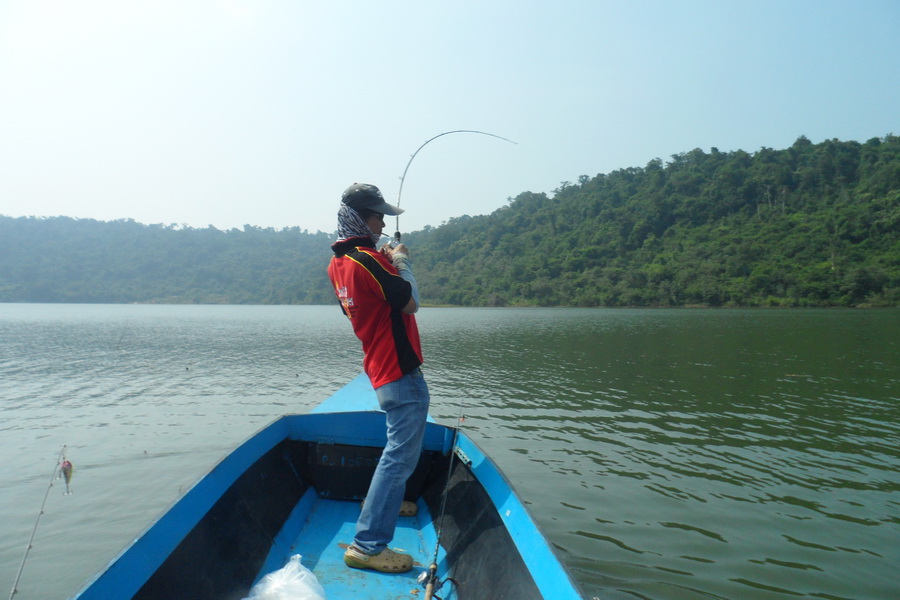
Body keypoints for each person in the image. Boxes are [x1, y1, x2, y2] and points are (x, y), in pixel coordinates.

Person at [327, 183, 429, 574]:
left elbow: (361, 310)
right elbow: (410, 302)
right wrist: (401, 261)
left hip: (378, 366)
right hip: (399, 371)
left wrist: (385, 262)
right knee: (400, 456)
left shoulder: (339, 264)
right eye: (377, 215)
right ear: (358, 217)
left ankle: (387, 500)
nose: (384, 222)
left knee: (397, 454)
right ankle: (368, 546)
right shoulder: (370, 260)